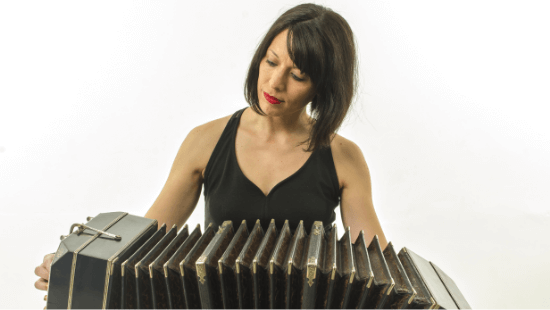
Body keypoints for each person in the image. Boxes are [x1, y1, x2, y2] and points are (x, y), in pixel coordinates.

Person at [34, 3, 387, 300]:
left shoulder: (344, 157)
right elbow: (143, 245)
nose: (275, 83)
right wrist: (76, 267)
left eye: (297, 75)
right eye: (270, 61)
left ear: (323, 86)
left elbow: (379, 272)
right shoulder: (204, 141)